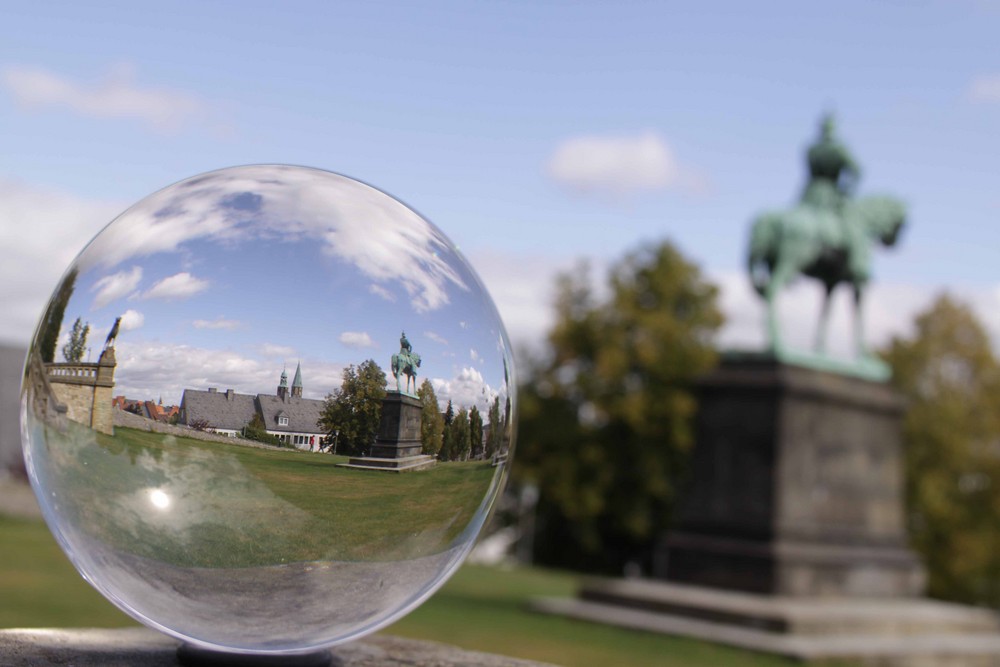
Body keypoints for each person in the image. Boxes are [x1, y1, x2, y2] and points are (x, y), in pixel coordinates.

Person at [800, 114, 861, 213]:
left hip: (810, 193)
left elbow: (810, 175)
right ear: (832, 128)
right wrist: (846, 191)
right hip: (831, 194)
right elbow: (857, 171)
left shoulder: (812, 150)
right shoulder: (838, 149)